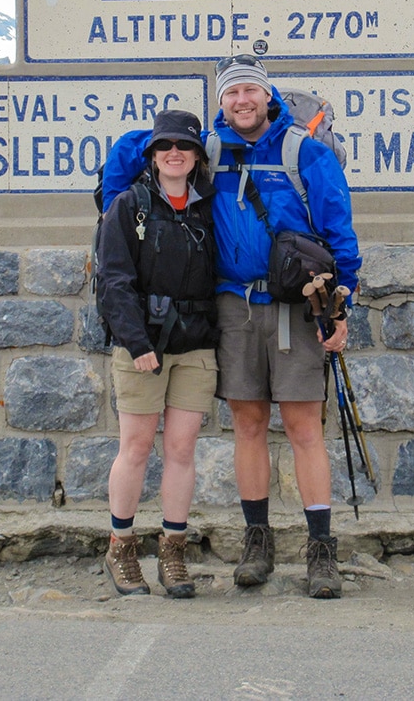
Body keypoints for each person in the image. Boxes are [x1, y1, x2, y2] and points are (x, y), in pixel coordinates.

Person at [210, 54, 361, 599]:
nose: (242, 100)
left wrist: (341, 308)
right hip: (234, 305)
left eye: (250, 89)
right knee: (247, 426)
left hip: (300, 308)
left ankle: (321, 548)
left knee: (304, 429)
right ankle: (258, 540)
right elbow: (140, 154)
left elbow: (340, 236)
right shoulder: (207, 151)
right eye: (232, 93)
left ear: (266, 95)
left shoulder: (306, 153)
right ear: (221, 101)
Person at [96, 108, 219, 598]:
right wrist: (137, 342)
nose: (174, 153)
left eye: (184, 147)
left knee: (182, 449)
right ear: (151, 154)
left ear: (195, 157)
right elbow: (113, 280)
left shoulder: (209, 208)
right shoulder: (128, 206)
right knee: (137, 448)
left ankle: (173, 551)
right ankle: (121, 546)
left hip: (195, 345)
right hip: (142, 346)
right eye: (165, 146)